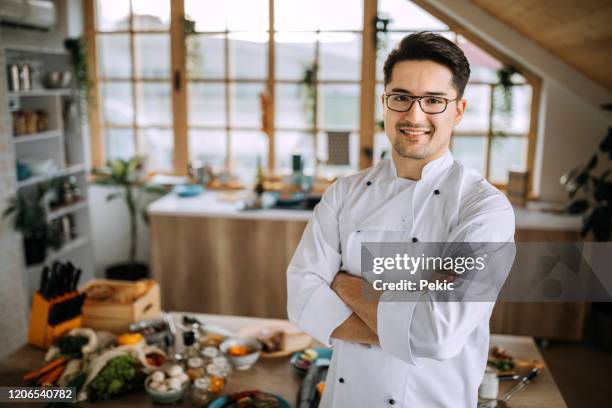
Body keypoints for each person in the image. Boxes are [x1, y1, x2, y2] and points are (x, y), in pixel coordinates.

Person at [286, 32, 515, 407]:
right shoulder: (344, 193)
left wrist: (347, 288)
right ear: (385, 103)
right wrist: (410, 319)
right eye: (401, 97)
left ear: (458, 110)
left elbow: (437, 335)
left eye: (434, 101)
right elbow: (301, 300)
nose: (414, 115)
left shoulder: (484, 209)